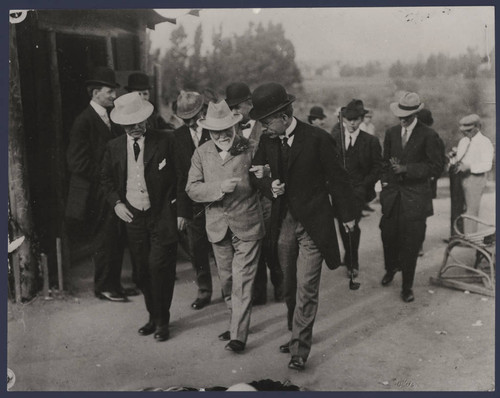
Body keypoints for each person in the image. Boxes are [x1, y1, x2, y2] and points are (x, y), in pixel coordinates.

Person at [249, 83, 356, 370]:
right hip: (284, 222)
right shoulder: (267, 140)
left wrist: (347, 216)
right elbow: (255, 174)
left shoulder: (317, 139)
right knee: (288, 285)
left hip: (314, 223)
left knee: (307, 287)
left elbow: (338, 178)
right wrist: (269, 185)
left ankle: (299, 348)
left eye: (265, 121)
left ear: (284, 116)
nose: (262, 127)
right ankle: (295, 331)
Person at [186, 100, 265, 353]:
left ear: (234, 127)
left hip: (248, 224)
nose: (220, 135)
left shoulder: (251, 147)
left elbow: (266, 180)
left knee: (242, 279)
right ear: (208, 131)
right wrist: (218, 188)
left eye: (225, 130)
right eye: (214, 131)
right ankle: (236, 323)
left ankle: (238, 336)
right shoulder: (201, 152)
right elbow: (192, 188)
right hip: (218, 226)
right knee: (228, 280)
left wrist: (265, 175)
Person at [101, 92, 178, 342]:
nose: (136, 128)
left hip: (160, 214)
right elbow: (106, 180)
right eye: (129, 124)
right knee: (141, 271)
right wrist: (117, 203)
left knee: (159, 267)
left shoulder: (165, 141)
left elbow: (181, 175)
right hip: (133, 216)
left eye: (140, 122)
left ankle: (163, 320)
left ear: (147, 120)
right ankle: (152, 316)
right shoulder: (112, 148)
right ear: (121, 124)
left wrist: (174, 208)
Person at [66, 66, 135, 302]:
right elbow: (76, 163)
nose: (114, 96)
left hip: (108, 190)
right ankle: (104, 287)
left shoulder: (109, 118)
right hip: (95, 192)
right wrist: (105, 176)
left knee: (115, 237)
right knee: (105, 238)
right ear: (95, 93)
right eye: (109, 92)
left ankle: (114, 284)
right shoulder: (83, 121)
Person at [379, 92, 444, 303]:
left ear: (416, 113)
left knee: (411, 243)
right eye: (400, 115)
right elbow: (384, 162)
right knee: (387, 235)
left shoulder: (429, 135)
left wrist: (407, 169)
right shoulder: (391, 133)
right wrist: (385, 182)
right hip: (393, 198)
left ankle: (407, 287)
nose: (403, 119)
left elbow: (436, 167)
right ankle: (391, 268)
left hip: (415, 199)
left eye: (407, 115)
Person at [226, 82, 283, 305]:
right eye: (231, 110)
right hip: (245, 198)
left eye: (237, 109)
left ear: (249, 105)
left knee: (271, 244)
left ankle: (280, 285)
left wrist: (267, 171)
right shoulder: (230, 130)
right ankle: (258, 292)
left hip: (266, 197)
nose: (234, 114)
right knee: (252, 247)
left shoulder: (267, 125)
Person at [331, 99, 382, 278]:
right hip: (338, 191)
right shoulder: (335, 139)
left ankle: (353, 262)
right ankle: (348, 252)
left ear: (361, 119)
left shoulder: (371, 141)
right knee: (343, 223)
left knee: (352, 224)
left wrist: (364, 185)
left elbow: (377, 168)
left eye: (356, 119)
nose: (352, 123)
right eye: (348, 119)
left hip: (359, 191)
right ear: (343, 119)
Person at [173, 91, 213, 310]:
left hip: (217, 199)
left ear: (203, 111)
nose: (189, 122)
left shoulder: (216, 129)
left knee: (222, 247)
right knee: (197, 248)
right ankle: (204, 290)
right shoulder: (177, 137)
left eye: (193, 117)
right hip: (193, 203)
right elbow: (180, 176)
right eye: (185, 119)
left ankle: (231, 290)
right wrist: (181, 211)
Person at [449, 114, 494, 234]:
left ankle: (470, 238)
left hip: (476, 178)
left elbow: (487, 165)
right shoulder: (463, 141)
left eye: (468, 130)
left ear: (478, 127)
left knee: (471, 210)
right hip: (460, 178)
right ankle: (458, 236)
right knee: (458, 207)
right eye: (463, 131)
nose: (465, 133)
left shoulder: (485, 142)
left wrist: (469, 167)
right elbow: (460, 159)